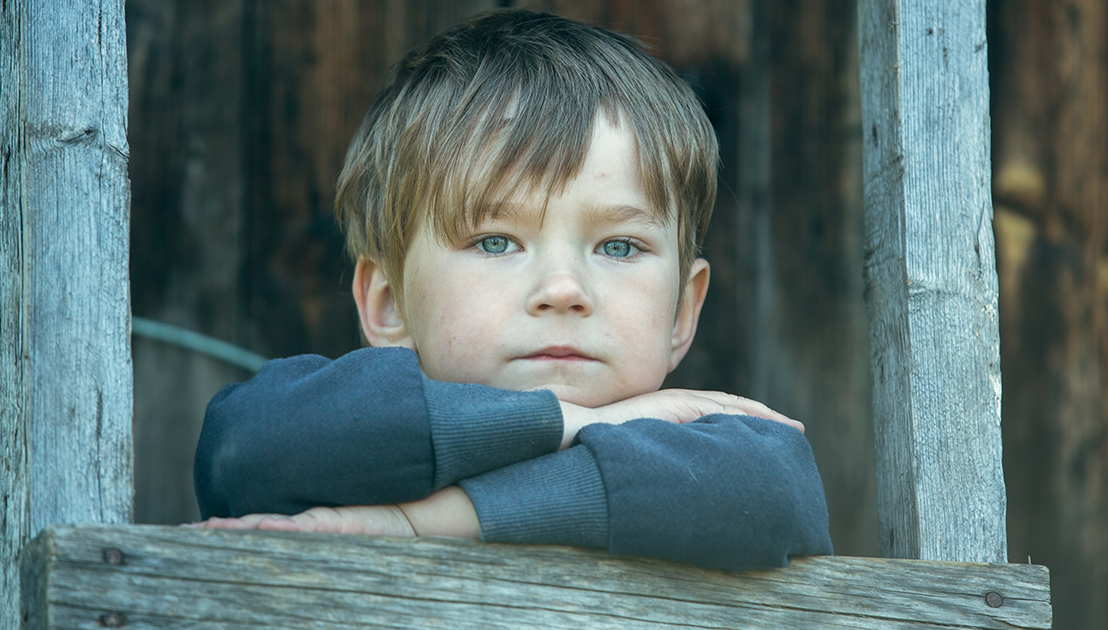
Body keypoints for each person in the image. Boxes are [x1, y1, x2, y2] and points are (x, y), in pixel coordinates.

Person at [190, 8, 833, 571]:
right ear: (387, 303)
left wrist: (428, 521)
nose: (562, 289)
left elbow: (776, 489)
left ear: (681, 312)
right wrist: (582, 423)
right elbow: (245, 447)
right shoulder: (334, 434)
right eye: (496, 241)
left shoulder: (720, 449)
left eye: (618, 246)